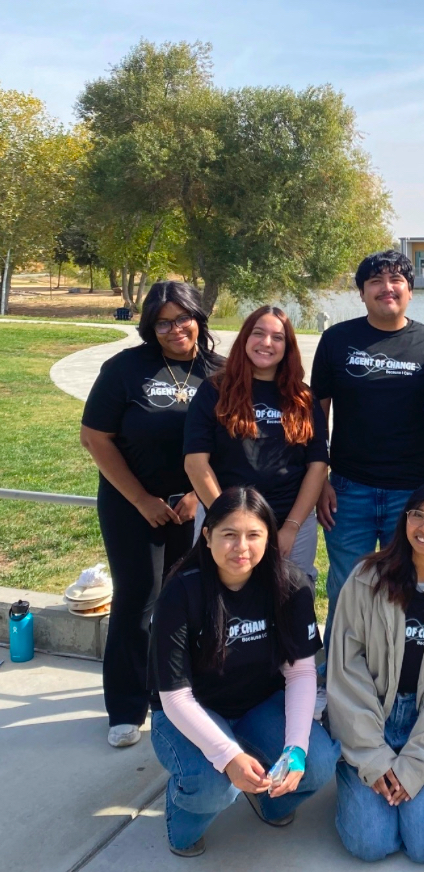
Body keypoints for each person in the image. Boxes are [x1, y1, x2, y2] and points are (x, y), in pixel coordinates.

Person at [148, 487, 339, 858]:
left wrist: (296, 749)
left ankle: (266, 801)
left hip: (258, 705)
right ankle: (182, 804)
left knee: (317, 765)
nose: (241, 547)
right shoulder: (179, 592)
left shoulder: (290, 585)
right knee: (213, 788)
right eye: (229, 535)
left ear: (269, 537)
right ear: (207, 536)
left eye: (254, 535)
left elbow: (300, 673)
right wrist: (228, 756)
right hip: (191, 711)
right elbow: (175, 697)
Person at [81, 280, 223, 748]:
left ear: (198, 318)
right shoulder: (125, 368)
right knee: (138, 597)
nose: (174, 329)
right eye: (163, 321)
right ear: (149, 325)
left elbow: (226, 442)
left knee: (184, 601)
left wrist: (196, 497)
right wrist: (142, 500)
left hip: (192, 507)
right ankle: (125, 706)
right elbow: (95, 438)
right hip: (131, 504)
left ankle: (172, 695)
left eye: (183, 318)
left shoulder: (218, 372)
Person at [326, 480, 424, 863]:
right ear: (404, 520)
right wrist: (374, 759)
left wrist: (415, 768)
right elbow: (346, 670)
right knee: (370, 844)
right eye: (417, 515)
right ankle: (361, 781)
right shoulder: (367, 578)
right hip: (372, 715)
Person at [311, 250, 424, 643]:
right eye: (375, 281)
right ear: (361, 292)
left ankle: (396, 671)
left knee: (403, 588)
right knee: (346, 587)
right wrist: (321, 479)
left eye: (396, 281)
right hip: (348, 490)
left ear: (410, 290)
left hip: (411, 492)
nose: (386, 289)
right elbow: (317, 416)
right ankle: (336, 676)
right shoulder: (337, 340)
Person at [184, 306, 327, 584]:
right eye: (258, 334)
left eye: (278, 337)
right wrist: (227, 524)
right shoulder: (214, 391)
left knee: (291, 601)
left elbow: (318, 466)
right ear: (245, 339)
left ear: (288, 347)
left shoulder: (303, 398)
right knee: (218, 596)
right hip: (223, 519)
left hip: (290, 522)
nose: (266, 343)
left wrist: (290, 528)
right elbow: (196, 463)